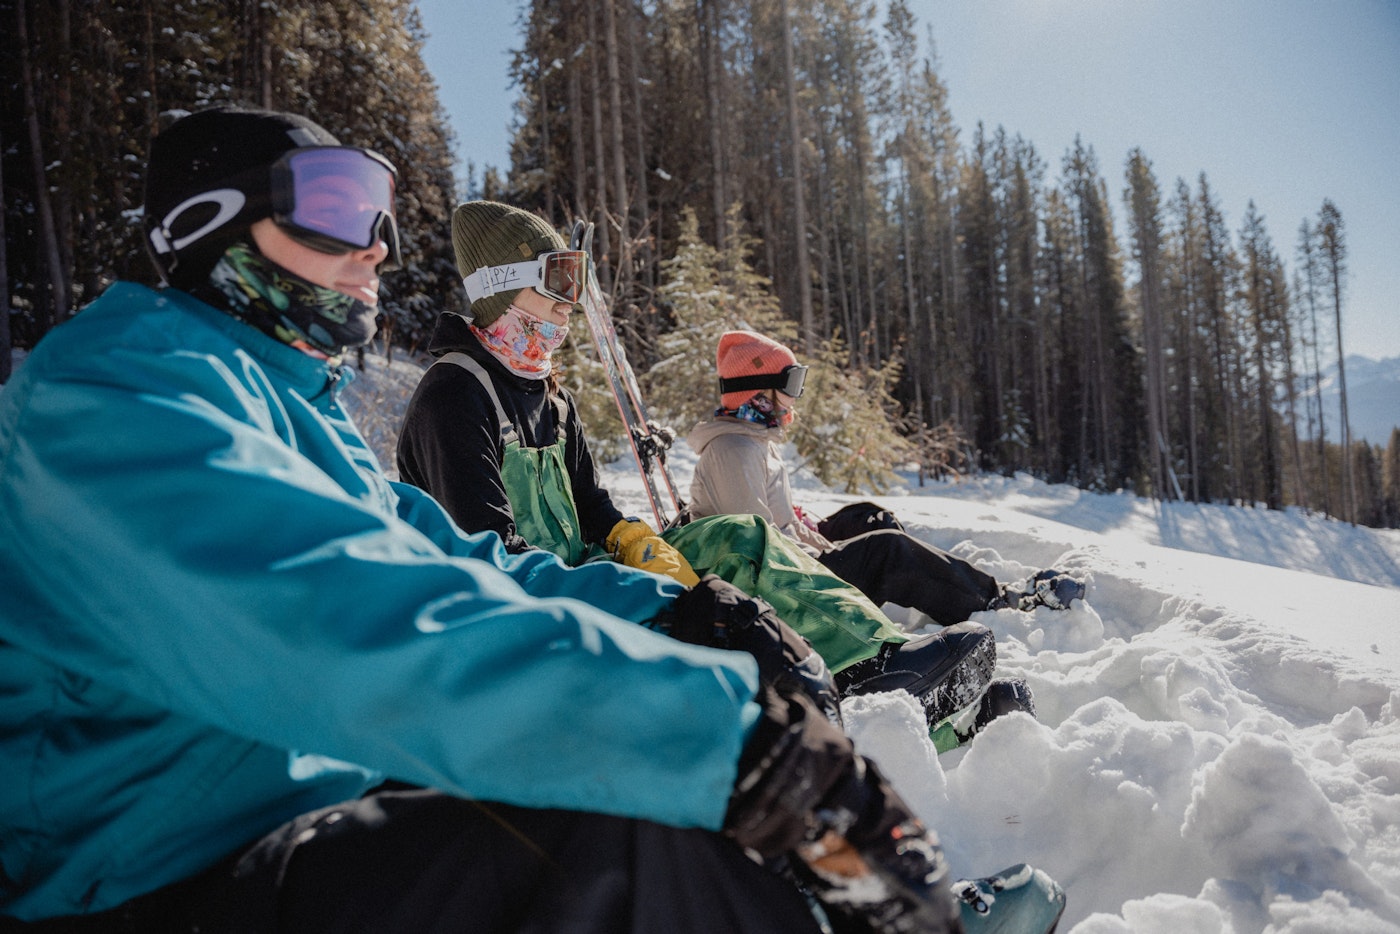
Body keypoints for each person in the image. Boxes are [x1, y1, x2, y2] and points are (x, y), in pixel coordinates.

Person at [0, 105, 1073, 934]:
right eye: (332, 201)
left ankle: (841, 901)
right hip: (145, 880)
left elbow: (451, 563)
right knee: (618, 840)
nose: (375, 241)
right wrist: (723, 740)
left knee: (623, 784)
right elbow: (345, 622)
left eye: (378, 208)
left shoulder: (294, 409)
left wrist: (675, 615)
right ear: (204, 227)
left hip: (306, 807)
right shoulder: (111, 402)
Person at [396, 201, 1026, 752]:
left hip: (589, 568)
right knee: (715, 621)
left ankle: (888, 671)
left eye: (575, 285)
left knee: (738, 538)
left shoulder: (550, 396)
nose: (568, 307)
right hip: (529, 615)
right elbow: (488, 556)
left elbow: (592, 506)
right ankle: (880, 716)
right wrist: (634, 583)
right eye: (557, 283)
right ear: (502, 286)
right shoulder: (454, 395)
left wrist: (640, 543)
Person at [687, 329, 1088, 629]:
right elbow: (759, 548)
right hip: (780, 591)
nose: (798, 394)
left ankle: (932, 594)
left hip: (788, 564)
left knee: (868, 519)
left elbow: (781, 527)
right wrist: (830, 558)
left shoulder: (753, 442)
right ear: (756, 390)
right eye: (791, 383)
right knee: (887, 550)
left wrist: (829, 544)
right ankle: (999, 603)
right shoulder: (734, 451)